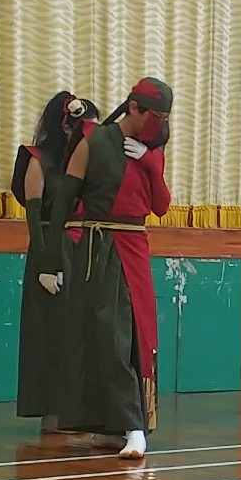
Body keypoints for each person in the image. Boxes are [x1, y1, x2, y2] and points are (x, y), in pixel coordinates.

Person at [39, 77, 173, 460]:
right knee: (97, 337)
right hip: (96, 251)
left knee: (129, 338)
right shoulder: (93, 142)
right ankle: (108, 425)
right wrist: (50, 260)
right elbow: (63, 200)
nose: (159, 125)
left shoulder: (152, 150)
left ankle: (134, 426)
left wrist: (149, 163)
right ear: (133, 107)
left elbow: (161, 206)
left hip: (133, 250)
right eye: (155, 116)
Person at [10, 92, 99, 433]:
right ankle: (52, 409)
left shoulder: (88, 161)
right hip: (51, 249)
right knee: (51, 332)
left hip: (83, 250)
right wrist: (46, 264)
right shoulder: (38, 160)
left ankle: (81, 409)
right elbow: (35, 220)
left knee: (82, 333)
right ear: (65, 127)